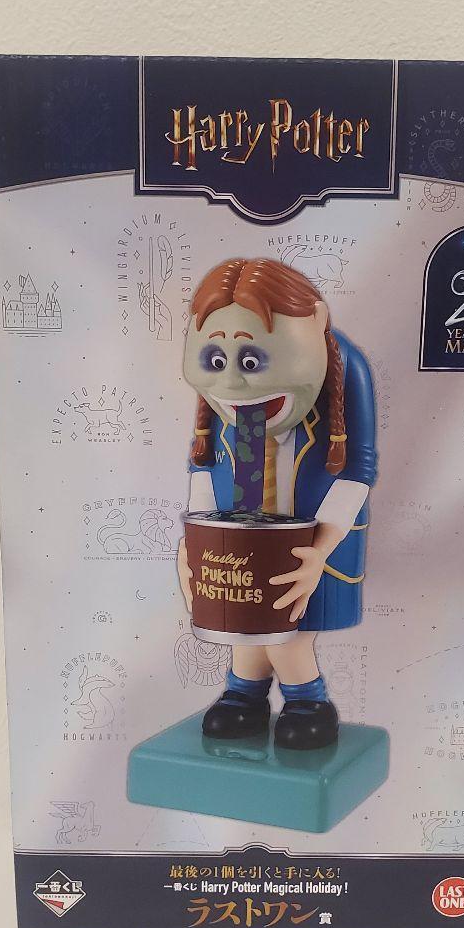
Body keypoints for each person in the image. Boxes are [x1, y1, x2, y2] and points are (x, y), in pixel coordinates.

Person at [177, 258, 377, 749]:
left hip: (319, 528)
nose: (231, 385)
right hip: (242, 527)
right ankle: (244, 692)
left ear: (317, 322)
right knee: (247, 619)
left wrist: (320, 549)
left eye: (250, 363)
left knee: (289, 628)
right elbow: (204, 462)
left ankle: (308, 700)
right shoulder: (231, 404)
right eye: (215, 362)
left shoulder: (346, 368)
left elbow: (357, 470)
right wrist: (193, 543)